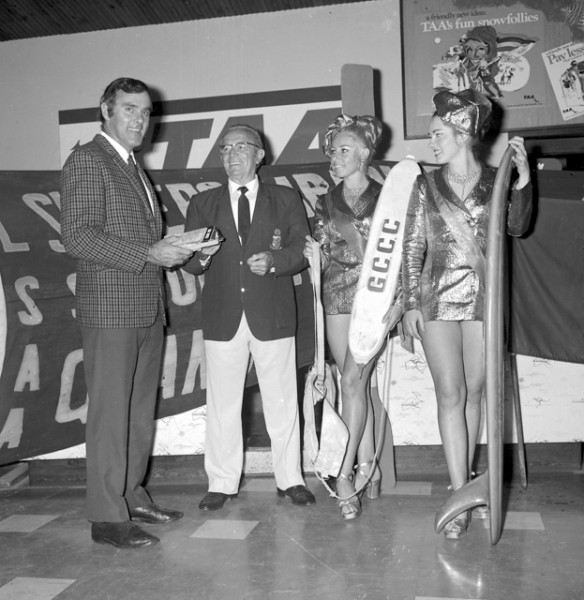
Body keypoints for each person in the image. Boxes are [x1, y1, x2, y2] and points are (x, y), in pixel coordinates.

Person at [60, 77, 193, 548]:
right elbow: (78, 235)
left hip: (145, 309)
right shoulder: (87, 160)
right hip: (109, 310)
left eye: (146, 111)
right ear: (106, 110)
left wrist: (172, 246)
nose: (140, 119)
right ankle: (106, 516)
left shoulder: (133, 166)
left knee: (138, 413)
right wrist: (149, 254)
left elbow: (132, 235)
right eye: (131, 109)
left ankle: (132, 495)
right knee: (111, 415)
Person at [401, 89, 532, 539]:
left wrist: (522, 183)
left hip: (482, 299)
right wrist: (409, 301)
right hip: (436, 299)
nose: (432, 142)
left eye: (438, 133)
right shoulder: (425, 184)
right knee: (450, 394)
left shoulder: (496, 179)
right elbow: (412, 245)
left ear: (462, 133)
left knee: (476, 394)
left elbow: (517, 226)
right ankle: (460, 492)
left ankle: (474, 483)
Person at [182, 124, 316, 511]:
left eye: (241, 147)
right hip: (223, 316)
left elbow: (300, 250)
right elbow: (191, 264)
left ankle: (290, 479)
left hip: (271, 313)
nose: (232, 154)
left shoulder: (287, 199)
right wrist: (201, 255)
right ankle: (222, 482)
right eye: (225, 149)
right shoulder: (202, 204)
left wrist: (274, 262)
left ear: (260, 155)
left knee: (282, 401)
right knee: (222, 404)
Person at [303, 114, 385, 520]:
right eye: (333, 151)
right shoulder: (325, 201)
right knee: (353, 385)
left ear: (365, 154)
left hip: (373, 299)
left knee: (355, 380)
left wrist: (400, 306)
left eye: (344, 150)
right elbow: (323, 242)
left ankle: (346, 473)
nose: (335, 158)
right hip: (336, 296)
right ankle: (371, 463)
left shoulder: (387, 196)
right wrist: (312, 251)